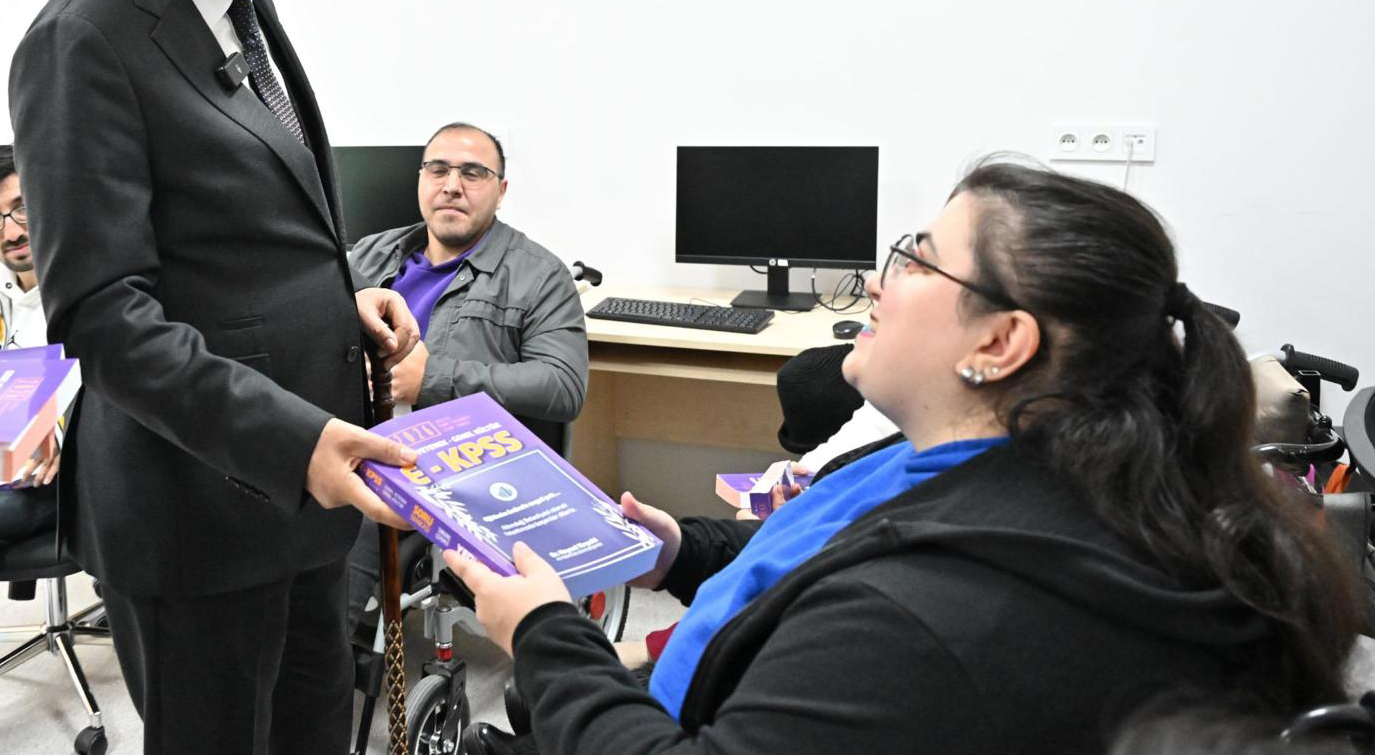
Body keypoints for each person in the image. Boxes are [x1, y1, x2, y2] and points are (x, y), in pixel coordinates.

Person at [447, 160, 1361, 755]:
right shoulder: (974, 457)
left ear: (999, 343)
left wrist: (546, 634)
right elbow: (823, 546)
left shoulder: (929, 618)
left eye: (918, 261)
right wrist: (677, 551)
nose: (880, 284)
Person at [8, 0, 420, 755]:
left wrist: (338, 307)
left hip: (300, 500)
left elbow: (238, 242)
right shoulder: (83, 39)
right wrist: (298, 443)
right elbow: (106, 317)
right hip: (198, 518)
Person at [345, 121, 588, 627]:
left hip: (447, 465)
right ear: (421, 180)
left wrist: (431, 378)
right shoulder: (368, 255)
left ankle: (325, 663)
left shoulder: (539, 275)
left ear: (501, 190)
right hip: (348, 437)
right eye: (438, 170)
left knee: (348, 530)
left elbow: (563, 386)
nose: (452, 185)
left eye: (473, 173)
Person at [0, 145, 60, 543]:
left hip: (62, 473)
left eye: (21, 208)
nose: (12, 233)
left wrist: (66, 433)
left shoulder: (93, 288)